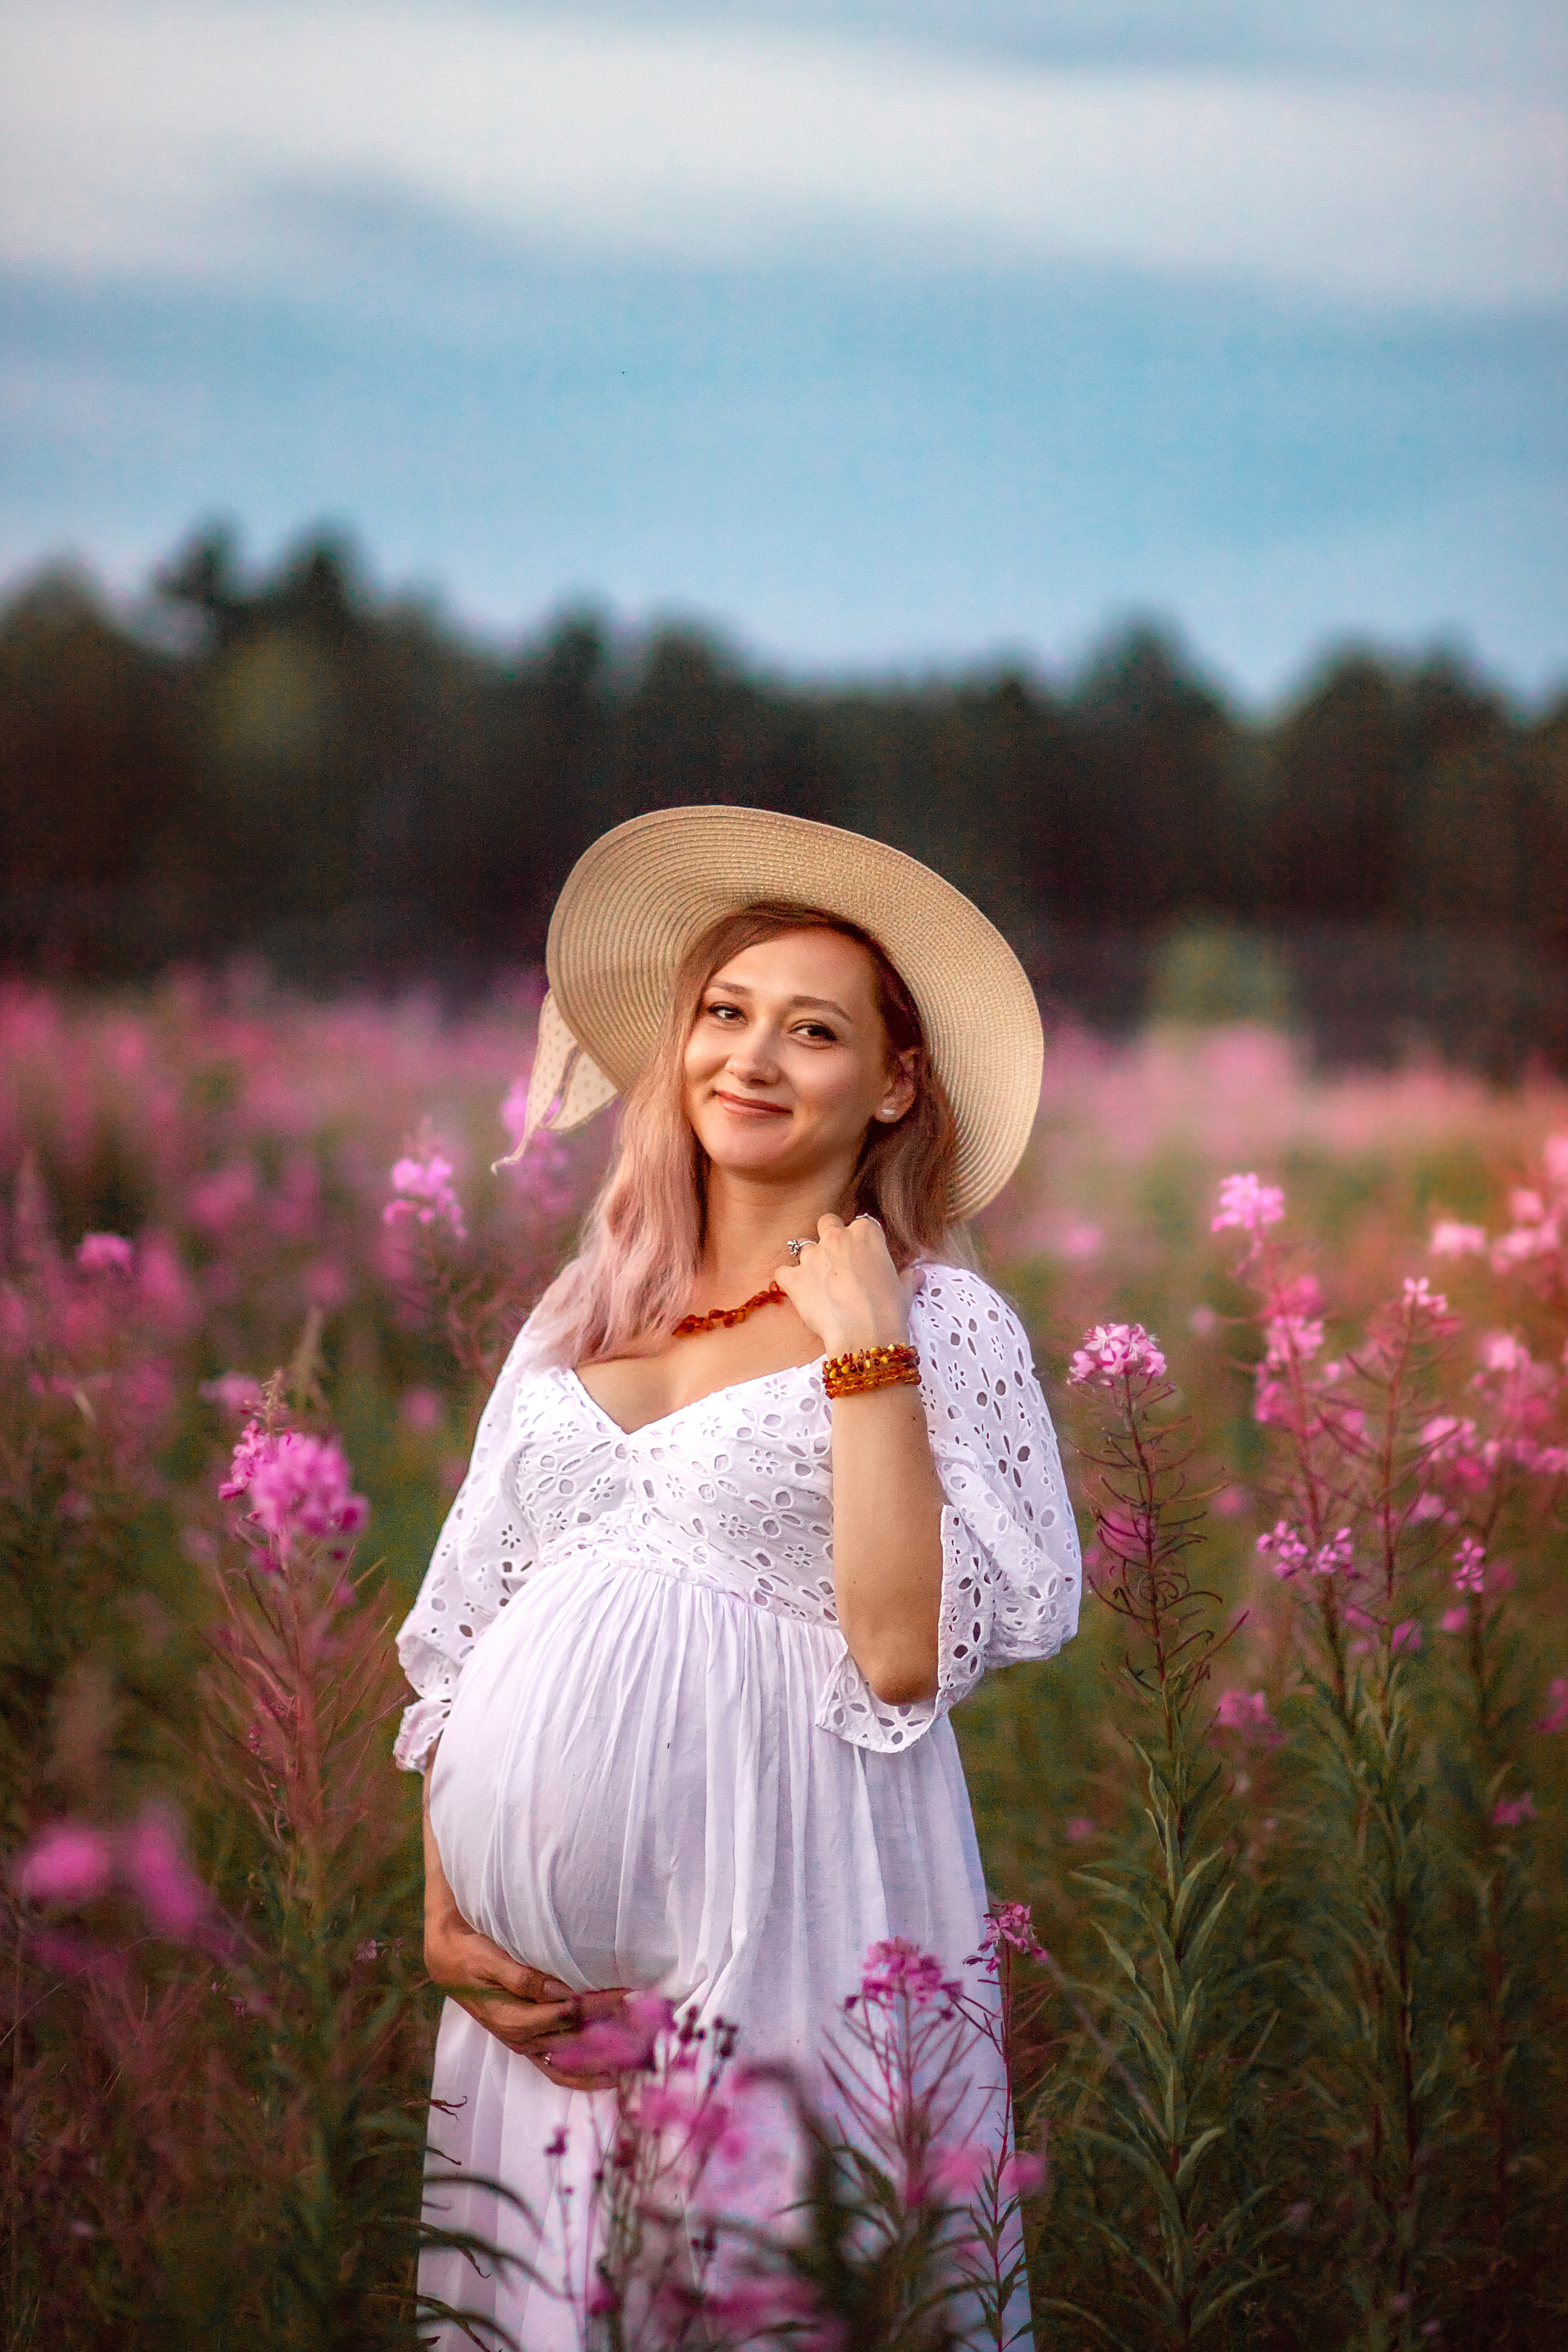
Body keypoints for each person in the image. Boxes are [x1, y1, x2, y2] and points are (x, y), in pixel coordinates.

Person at [394, 807, 1082, 2346]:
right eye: (725, 1013)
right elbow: (465, 1641)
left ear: (895, 1083)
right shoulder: (582, 1312)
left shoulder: (935, 1323)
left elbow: (902, 1653)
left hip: (789, 1910)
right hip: (533, 2023)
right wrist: (447, 1913)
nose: (751, 1058)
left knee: (769, 2295)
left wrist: (866, 1356)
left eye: (813, 1030)